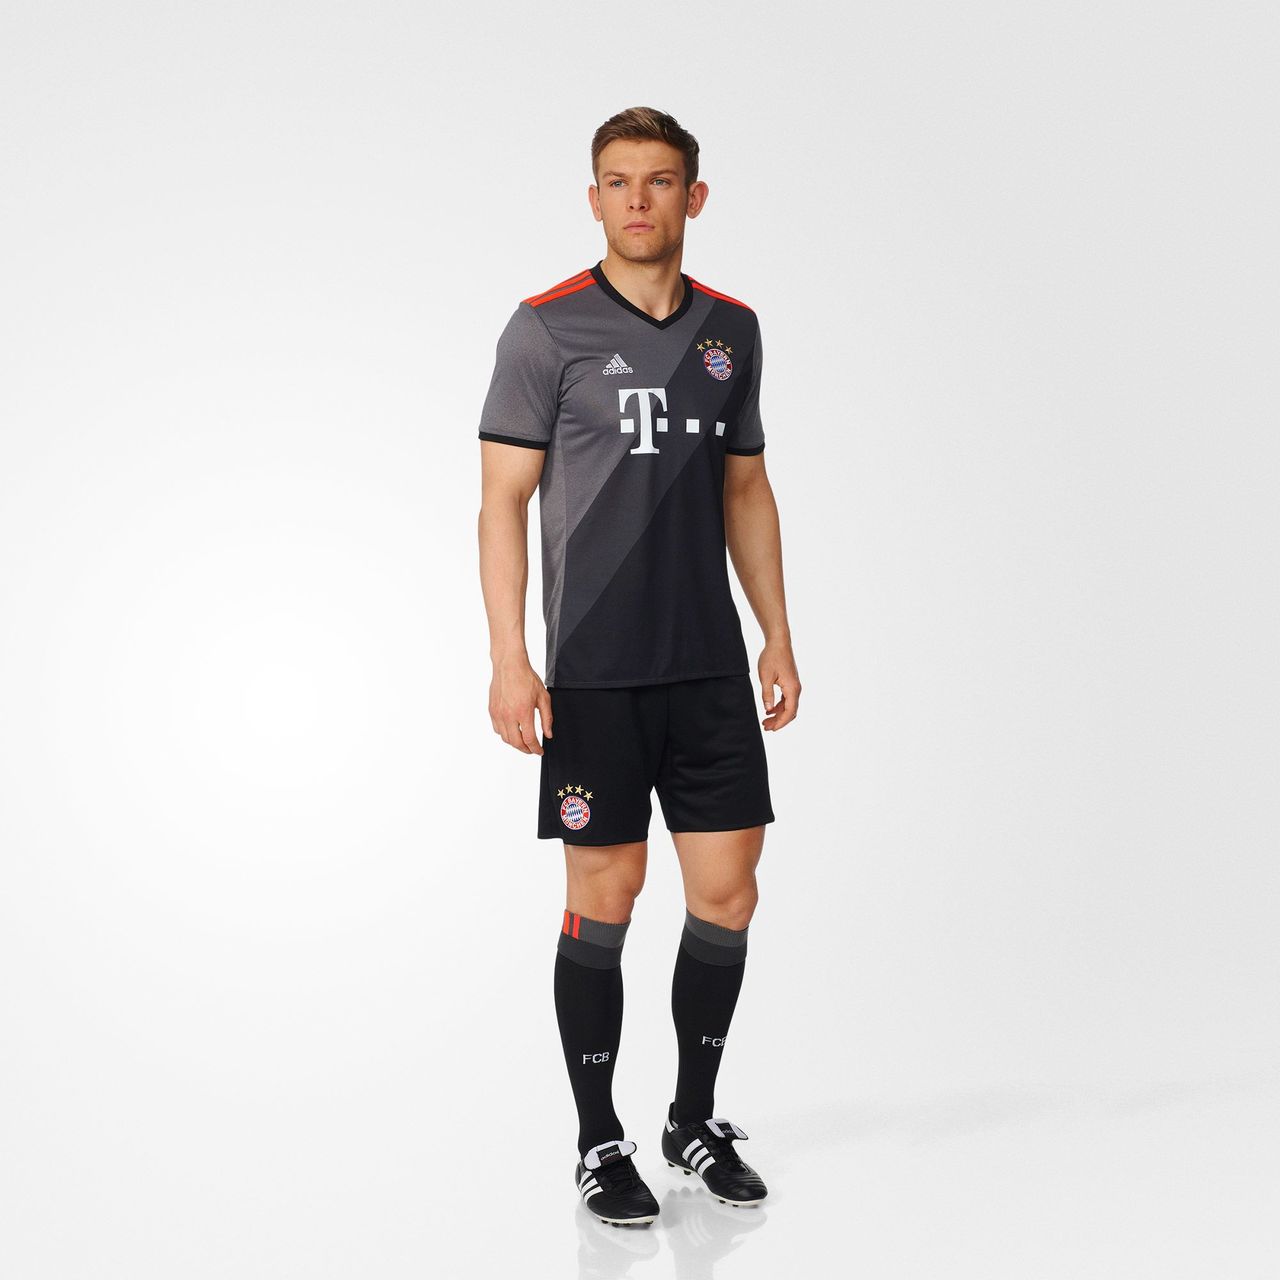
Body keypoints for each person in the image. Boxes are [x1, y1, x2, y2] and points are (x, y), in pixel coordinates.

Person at [476, 106, 800, 1228]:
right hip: (594, 673)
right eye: (617, 182)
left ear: (691, 197)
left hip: (707, 669)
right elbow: (501, 502)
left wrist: (776, 632)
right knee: (604, 897)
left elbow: (746, 487)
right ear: (593, 198)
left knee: (728, 893)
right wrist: (509, 658)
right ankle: (597, 1137)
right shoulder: (544, 329)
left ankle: (691, 1120)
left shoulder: (731, 330)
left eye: (659, 181)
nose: (637, 201)